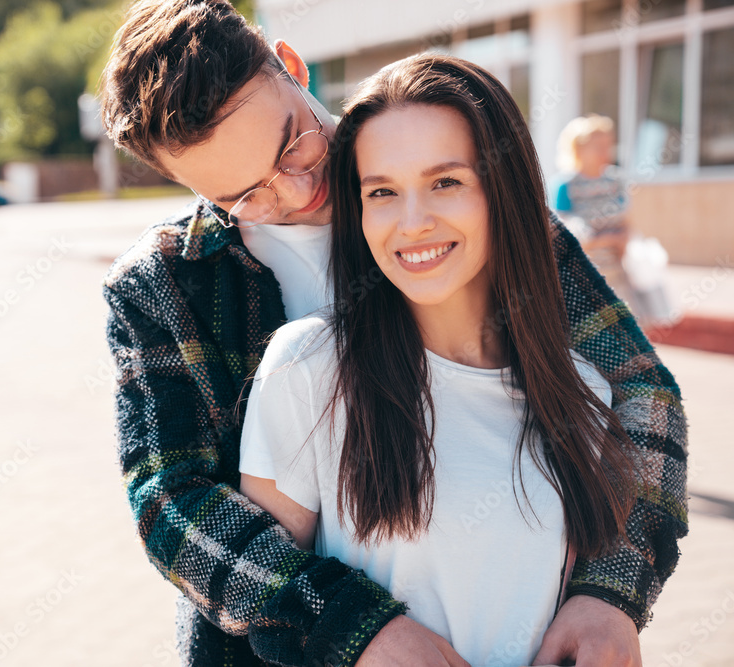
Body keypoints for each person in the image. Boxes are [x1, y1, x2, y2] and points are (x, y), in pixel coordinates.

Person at [100, 2, 688, 665]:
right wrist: (350, 624)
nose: (294, 191)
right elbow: (172, 501)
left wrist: (611, 587)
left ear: (293, 67)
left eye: (294, 142)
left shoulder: (448, 184)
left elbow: (642, 390)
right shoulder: (162, 285)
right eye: (246, 195)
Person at [239, 54, 653, 667]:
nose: (412, 223)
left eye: (445, 182)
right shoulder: (308, 369)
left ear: (502, 192)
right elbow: (263, 605)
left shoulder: (582, 391)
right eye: (382, 192)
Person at [553, 115, 670, 326]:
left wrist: (622, 239)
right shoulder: (565, 185)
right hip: (582, 278)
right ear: (578, 149)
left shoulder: (616, 180)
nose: (605, 151)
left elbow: (626, 223)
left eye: (608, 145)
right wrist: (607, 240)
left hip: (619, 273)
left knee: (631, 333)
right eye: (597, 146)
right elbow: (564, 236)